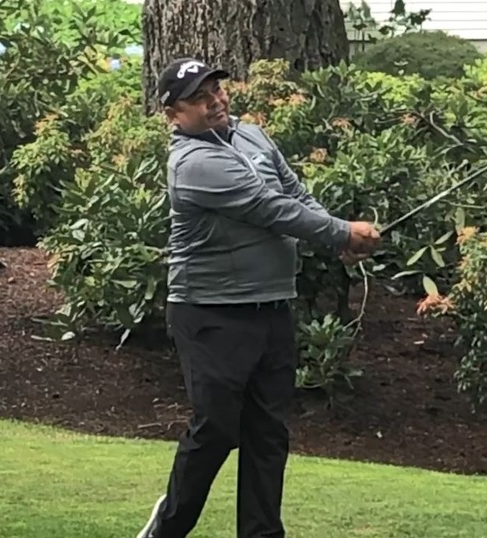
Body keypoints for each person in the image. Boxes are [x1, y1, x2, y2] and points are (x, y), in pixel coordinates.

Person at [136, 57, 381, 538]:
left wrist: (340, 240)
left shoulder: (252, 136)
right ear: (173, 115)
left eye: (216, 90)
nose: (215, 101)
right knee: (216, 430)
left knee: (268, 432)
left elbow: (296, 195)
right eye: (199, 98)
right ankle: (166, 530)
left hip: (271, 307)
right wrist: (341, 232)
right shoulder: (193, 163)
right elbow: (268, 207)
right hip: (210, 314)